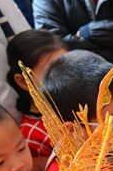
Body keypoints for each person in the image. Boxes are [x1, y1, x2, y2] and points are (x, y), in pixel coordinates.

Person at [6, 30, 69, 158]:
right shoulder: (32, 137)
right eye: (52, 72)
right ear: (24, 82)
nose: (68, 76)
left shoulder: (79, 102)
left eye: (69, 66)